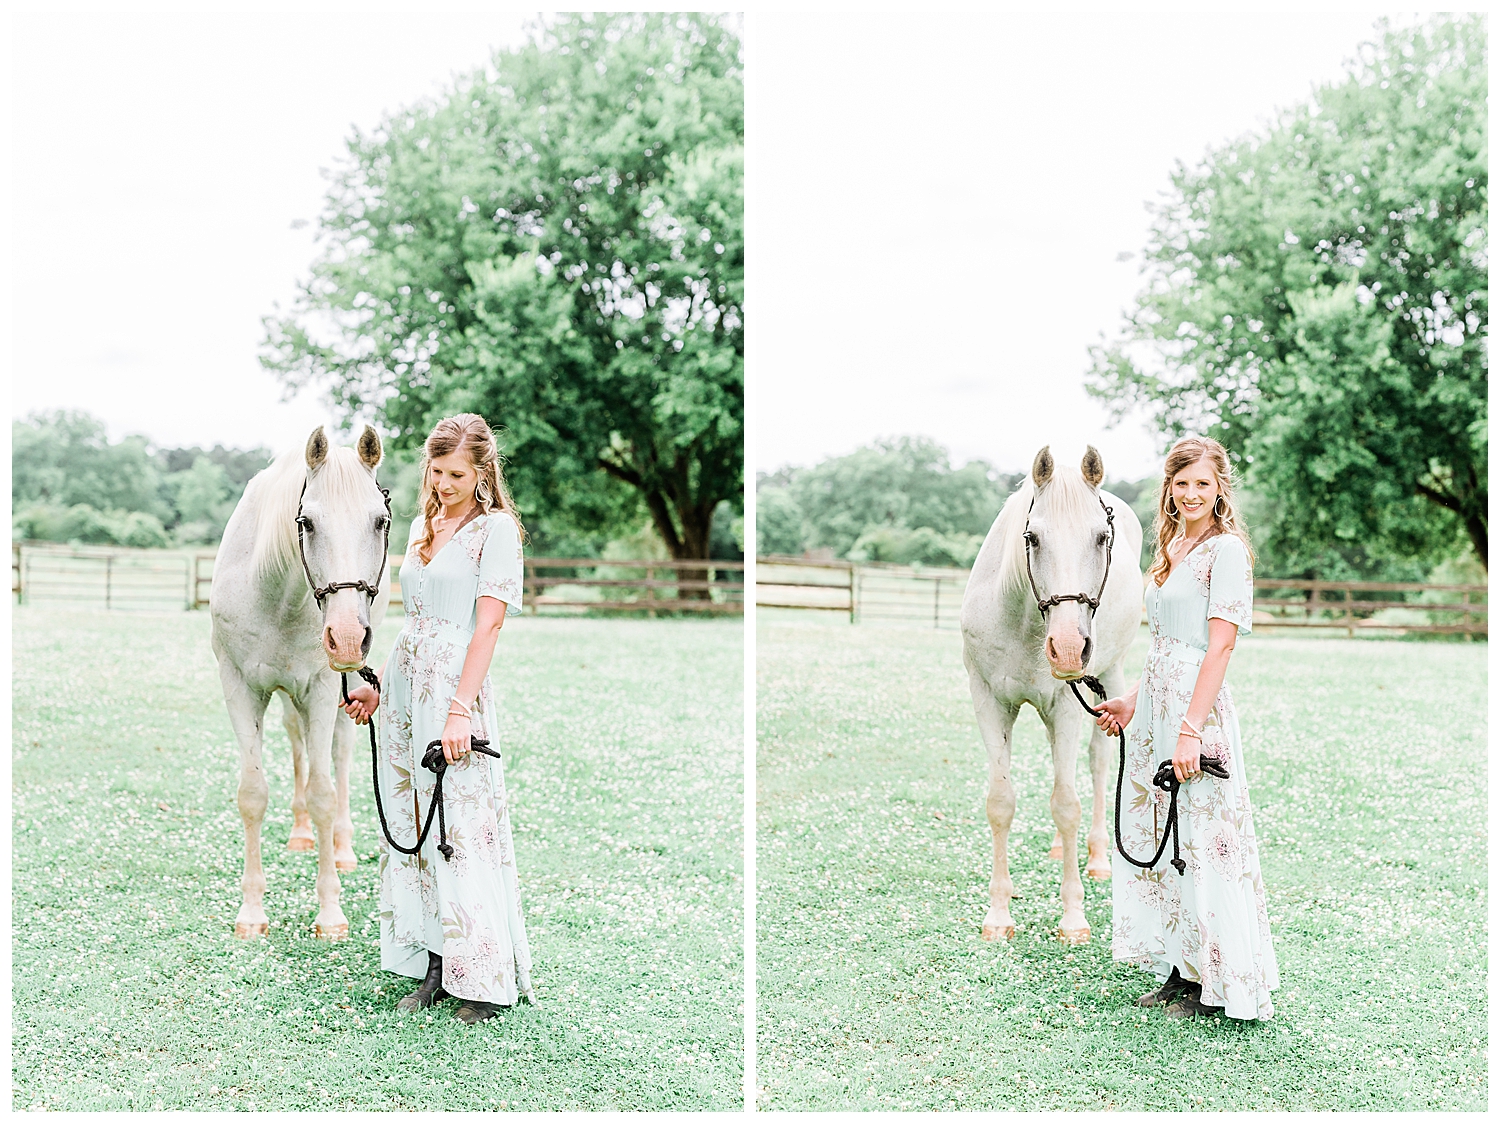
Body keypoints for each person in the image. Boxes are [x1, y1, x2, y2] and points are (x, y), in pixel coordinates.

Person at [342, 413, 535, 1024]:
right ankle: (435, 961)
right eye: (436, 470)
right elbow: (412, 621)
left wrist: (461, 711)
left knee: (461, 826)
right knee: (416, 822)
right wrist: (381, 689)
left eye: (457, 473)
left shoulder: (495, 530)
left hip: (455, 691)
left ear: (482, 473)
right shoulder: (424, 525)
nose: (444, 483)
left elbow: (488, 625)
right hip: (407, 689)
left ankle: (479, 976)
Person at [1093, 436, 1278, 1021]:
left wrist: (1191, 730)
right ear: (1168, 490)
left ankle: (1216, 983)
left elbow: (1217, 648)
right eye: (1181, 483)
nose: (1191, 493)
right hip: (1157, 704)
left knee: (1204, 837)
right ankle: (1182, 966)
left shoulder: (1226, 552)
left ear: (1220, 487)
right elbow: (1166, 644)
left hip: (1197, 710)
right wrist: (1130, 701)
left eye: (1203, 483)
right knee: (1166, 838)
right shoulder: (1172, 544)